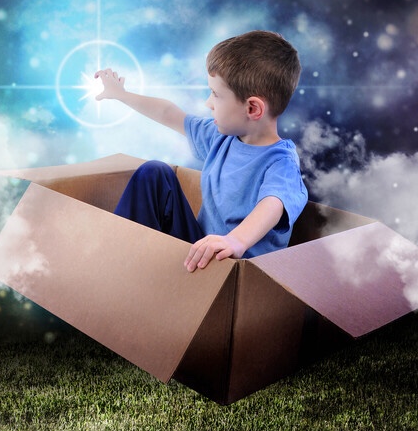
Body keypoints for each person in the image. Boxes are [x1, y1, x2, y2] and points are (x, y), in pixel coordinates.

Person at [94, 30, 308, 273]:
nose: (208, 103)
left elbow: (273, 204)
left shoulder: (281, 162)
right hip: (200, 252)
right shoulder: (221, 137)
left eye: (216, 94)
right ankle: (110, 265)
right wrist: (122, 95)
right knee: (154, 173)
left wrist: (235, 240)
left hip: (235, 270)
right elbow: (169, 114)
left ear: (252, 108)